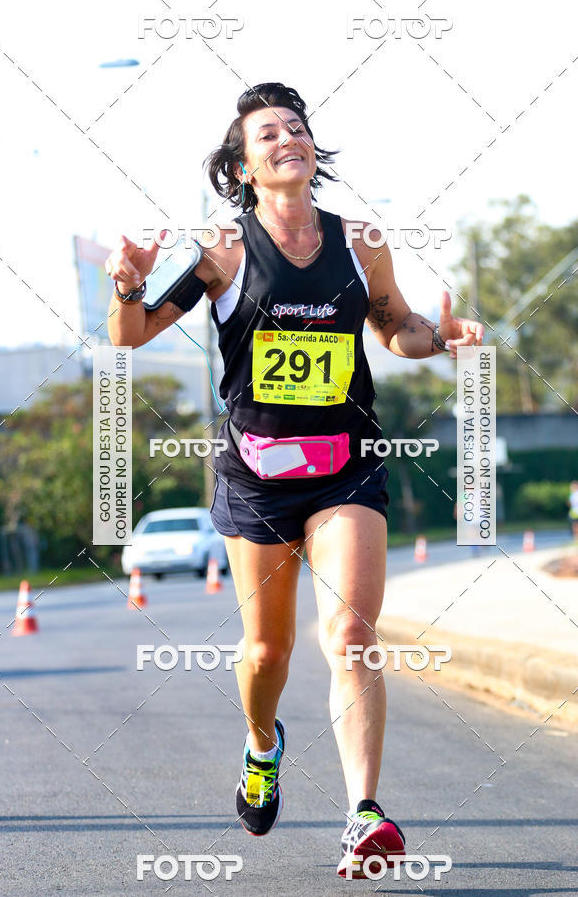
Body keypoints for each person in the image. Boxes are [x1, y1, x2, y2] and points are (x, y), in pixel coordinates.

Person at [106, 82, 484, 879]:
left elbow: (395, 326)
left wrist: (440, 338)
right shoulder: (222, 253)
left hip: (347, 464)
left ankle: (364, 816)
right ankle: (260, 744)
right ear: (243, 168)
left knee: (350, 636)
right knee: (268, 649)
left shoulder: (361, 238)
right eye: (269, 133)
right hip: (258, 472)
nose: (289, 139)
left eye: (298, 128)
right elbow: (132, 336)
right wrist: (128, 283)